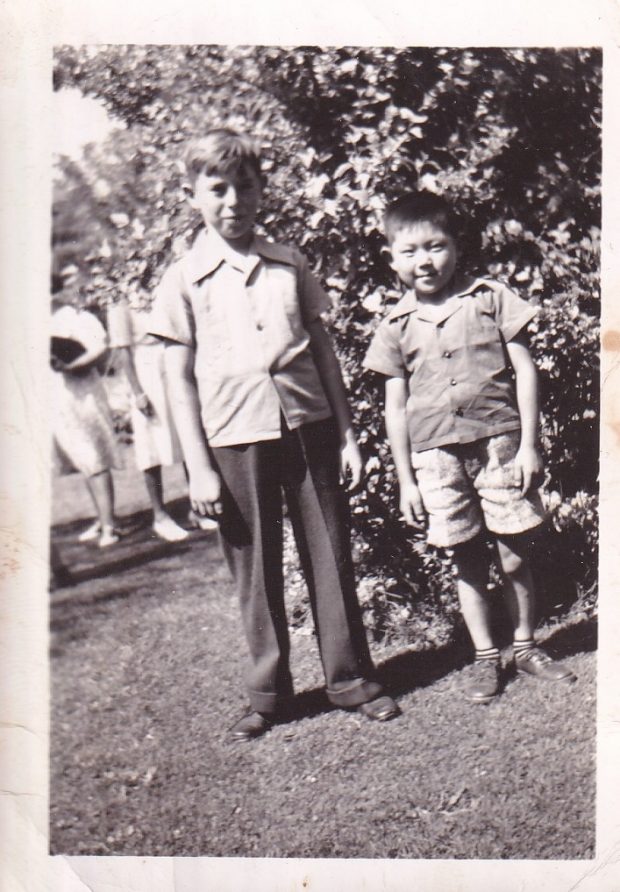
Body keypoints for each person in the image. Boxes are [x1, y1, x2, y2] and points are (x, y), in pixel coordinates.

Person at [148, 128, 400, 740]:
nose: (233, 201)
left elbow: (323, 348)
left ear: (262, 190)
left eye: (245, 187)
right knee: (253, 569)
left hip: (308, 425)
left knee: (330, 556)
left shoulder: (291, 264)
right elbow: (175, 378)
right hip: (233, 438)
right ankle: (269, 695)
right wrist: (198, 468)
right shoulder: (184, 279)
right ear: (193, 196)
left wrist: (347, 434)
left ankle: (350, 679)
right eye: (218, 189)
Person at [364, 191, 576, 704]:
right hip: (436, 458)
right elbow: (396, 410)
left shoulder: (490, 298)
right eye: (410, 251)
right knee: (465, 561)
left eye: (435, 246)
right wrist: (406, 481)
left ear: (456, 247)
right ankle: (485, 656)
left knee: (513, 552)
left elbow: (525, 371)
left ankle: (525, 646)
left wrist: (530, 445)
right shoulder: (394, 327)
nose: (425, 261)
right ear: (392, 258)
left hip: (500, 444)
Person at [107, 295, 217, 541]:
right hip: (146, 371)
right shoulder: (118, 299)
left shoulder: (159, 283)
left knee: (188, 432)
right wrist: (137, 392)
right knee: (152, 446)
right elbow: (122, 350)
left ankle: (199, 508)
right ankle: (160, 516)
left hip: (174, 361)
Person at [51, 300, 121, 549]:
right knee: (83, 458)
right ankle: (102, 519)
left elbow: (99, 349)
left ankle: (110, 524)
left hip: (84, 394)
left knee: (95, 458)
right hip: (60, 396)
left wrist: (71, 365)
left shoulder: (74, 316)